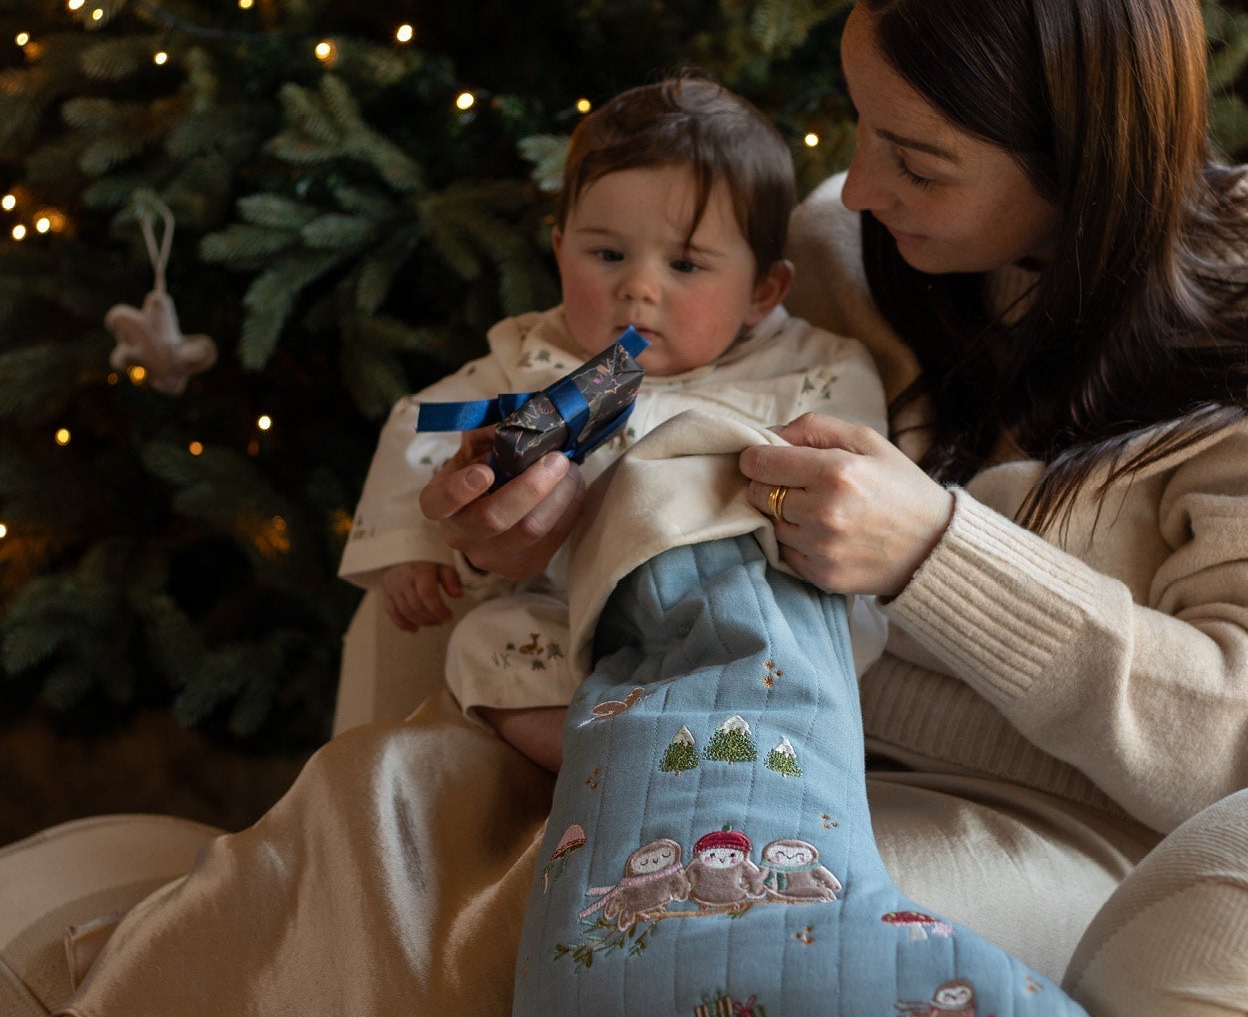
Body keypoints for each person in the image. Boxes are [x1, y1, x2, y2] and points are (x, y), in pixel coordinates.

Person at [2, 0, 1248, 1017]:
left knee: (536, 901)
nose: (856, 189)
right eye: (860, 130)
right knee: (379, 798)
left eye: (916, 159)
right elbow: (668, 460)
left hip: (1013, 844)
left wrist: (943, 554)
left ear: (1089, 156)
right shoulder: (857, 257)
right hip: (701, 735)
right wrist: (533, 534)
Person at [337, 74, 888, 771]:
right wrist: (415, 543)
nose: (639, 287)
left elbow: (858, 474)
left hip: (737, 628)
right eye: (607, 255)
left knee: (811, 645)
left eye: (685, 263)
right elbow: (429, 425)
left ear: (762, 292)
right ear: (561, 247)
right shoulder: (533, 357)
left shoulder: (814, 370)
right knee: (485, 642)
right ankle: (602, 764)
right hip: (577, 632)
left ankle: (714, 758)